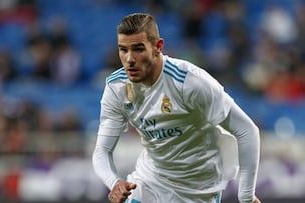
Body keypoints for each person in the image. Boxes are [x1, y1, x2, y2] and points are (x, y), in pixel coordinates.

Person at [92, 13, 261, 203]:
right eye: (123, 50)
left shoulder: (188, 82)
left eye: (138, 49)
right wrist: (114, 182)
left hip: (199, 189)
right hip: (150, 182)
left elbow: (246, 130)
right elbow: (102, 151)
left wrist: (246, 196)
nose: (129, 59)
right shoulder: (117, 87)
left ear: (158, 47)